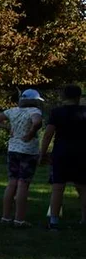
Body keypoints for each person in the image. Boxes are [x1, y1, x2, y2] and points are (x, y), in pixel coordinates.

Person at [0, 89, 44, 227]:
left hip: (13, 149)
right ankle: (19, 219)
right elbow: (37, 122)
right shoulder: (34, 111)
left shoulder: (12, 111)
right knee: (23, 183)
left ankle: (5, 217)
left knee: (12, 182)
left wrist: (8, 127)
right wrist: (31, 132)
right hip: (28, 150)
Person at [39, 84, 86, 229]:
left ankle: (54, 220)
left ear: (64, 96)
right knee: (83, 187)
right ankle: (84, 219)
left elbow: (48, 134)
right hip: (82, 153)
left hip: (61, 152)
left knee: (58, 187)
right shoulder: (84, 112)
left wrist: (43, 152)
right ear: (79, 97)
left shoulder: (57, 112)